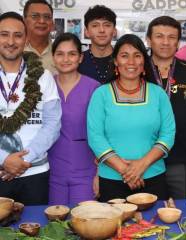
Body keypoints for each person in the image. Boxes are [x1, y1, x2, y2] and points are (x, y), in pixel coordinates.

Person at [87, 34, 175, 201]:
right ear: (115, 61)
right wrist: (126, 171)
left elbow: (168, 135)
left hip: (153, 177)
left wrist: (141, 166)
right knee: (115, 227)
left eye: (137, 55)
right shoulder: (101, 94)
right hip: (112, 179)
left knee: (155, 226)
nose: (131, 62)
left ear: (144, 62)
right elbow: (95, 137)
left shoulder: (158, 94)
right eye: (124, 56)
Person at [0, 12, 61, 205]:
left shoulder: (43, 76)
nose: (11, 41)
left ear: (26, 39)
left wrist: (22, 161)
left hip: (34, 172)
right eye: (4, 34)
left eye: (18, 35)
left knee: (34, 231)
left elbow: (52, 125)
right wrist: (4, 160)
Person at [146, 16, 186, 199]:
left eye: (171, 37)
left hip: (182, 159)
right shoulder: (138, 70)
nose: (165, 42)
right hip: (144, 160)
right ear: (148, 40)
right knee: (148, 216)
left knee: (183, 215)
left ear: (178, 42)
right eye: (159, 36)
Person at [48, 33, 100, 205]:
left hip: (86, 172)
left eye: (72, 54)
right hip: (52, 172)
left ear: (80, 57)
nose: (66, 59)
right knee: (54, 225)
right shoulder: (44, 87)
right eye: (60, 54)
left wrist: (99, 174)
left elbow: (103, 133)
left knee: (84, 223)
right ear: (53, 57)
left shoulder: (94, 88)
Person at [78, 5, 117, 84]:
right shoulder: (78, 61)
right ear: (87, 32)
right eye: (95, 25)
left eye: (107, 25)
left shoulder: (123, 60)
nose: (101, 30)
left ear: (114, 31)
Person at [23, 0, 56, 74]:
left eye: (47, 17)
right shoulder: (15, 50)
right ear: (24, 21)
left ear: (52, 23)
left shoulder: (60, 52)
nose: (42, 21)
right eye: (35, 16)